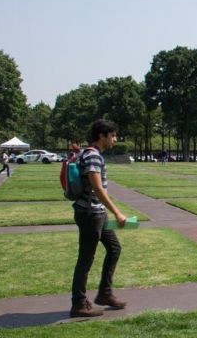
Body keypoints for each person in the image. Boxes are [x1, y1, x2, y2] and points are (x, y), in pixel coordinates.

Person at [70, 119, 127, 318]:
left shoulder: (89, 154)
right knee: (85, 259)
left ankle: (105, 293)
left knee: (114, 248)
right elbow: (97, 187)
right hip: (90, 214)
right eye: (112, 135)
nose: (115, 139)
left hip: (96, 212)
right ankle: (78, 304)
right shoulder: (93, 156)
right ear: (101, 136)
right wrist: (117, 212)